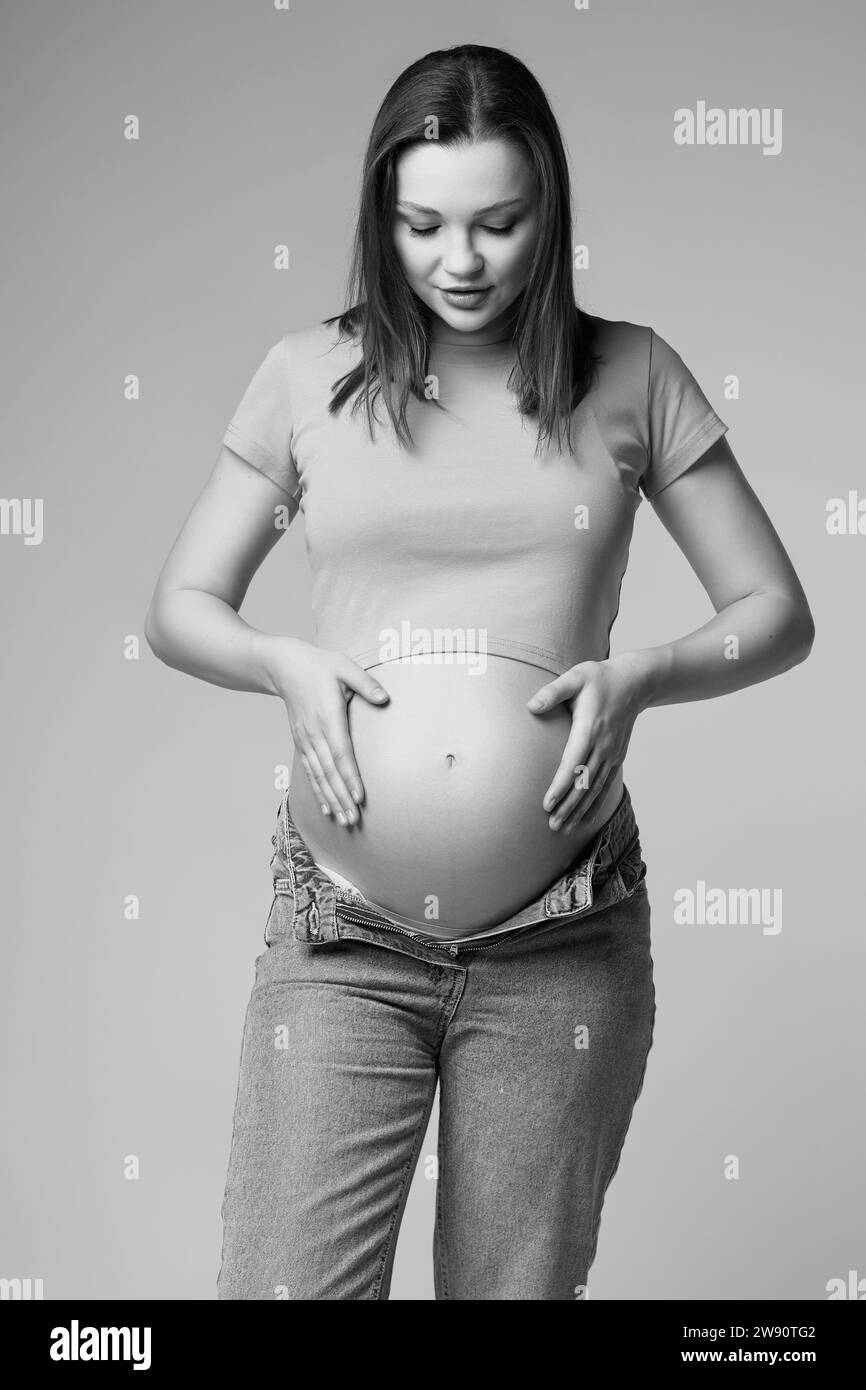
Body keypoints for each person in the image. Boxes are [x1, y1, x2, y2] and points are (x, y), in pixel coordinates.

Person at [144, 44, 815, 1300]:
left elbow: (775, 612)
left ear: (546, 215)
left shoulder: (630, 373)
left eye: (498, 224)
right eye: (423, 225)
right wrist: (283, 663)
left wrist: (641, 678)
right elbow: (179, 608)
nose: (460, 261)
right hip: (343, 931)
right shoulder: (307, 377)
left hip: (559, 935)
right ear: (380, 217)